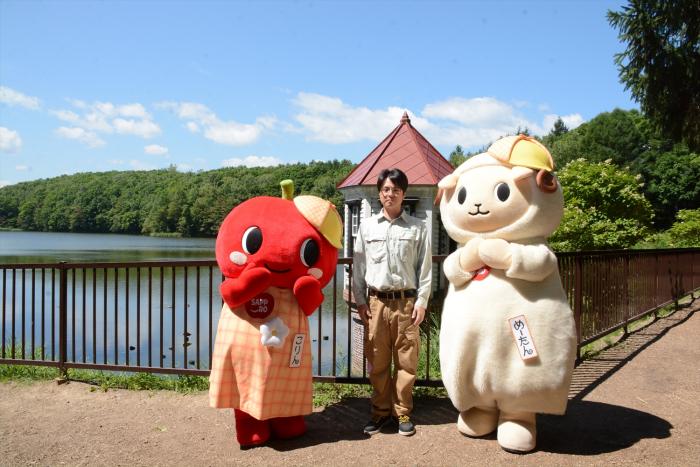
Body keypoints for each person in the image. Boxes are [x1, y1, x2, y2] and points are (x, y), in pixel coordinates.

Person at [352, 168, 432, 437]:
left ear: (403, 194)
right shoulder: (367, 227)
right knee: (378, 360)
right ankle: (380, 412)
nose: (390, 194)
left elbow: (425, 269)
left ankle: (403, 412)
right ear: (379, 193)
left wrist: (422, 301)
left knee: (407, 362)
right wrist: (361, 301)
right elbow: (359, 267)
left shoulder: (418, 228)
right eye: (386, 189)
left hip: (406, 303)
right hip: (376, 303)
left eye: (396, 190)